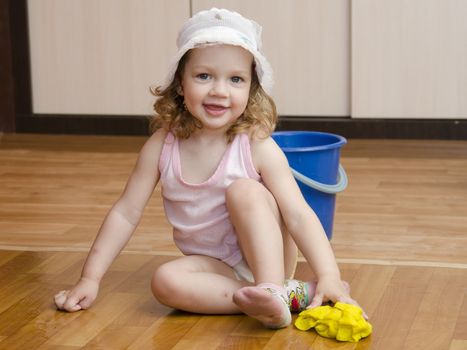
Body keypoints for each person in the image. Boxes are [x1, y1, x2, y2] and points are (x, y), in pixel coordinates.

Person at [54, 8, 361, 329]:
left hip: (268, 259)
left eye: (236, 79)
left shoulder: (256, 145)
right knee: (165, 281)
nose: (219, 90)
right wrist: (90, 278)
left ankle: (273, 288)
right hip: (217, 267)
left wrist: (329, 275)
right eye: (204, 76)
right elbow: (126, 212)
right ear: (180, 85)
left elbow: (298, 214)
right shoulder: (162, 146)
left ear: (251, 89)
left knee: (244, 190)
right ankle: (285, 297)